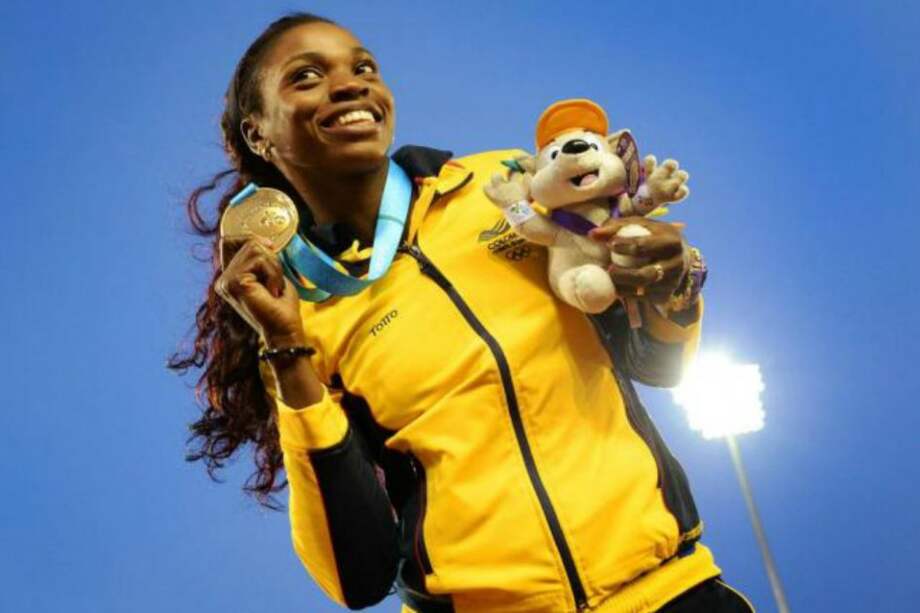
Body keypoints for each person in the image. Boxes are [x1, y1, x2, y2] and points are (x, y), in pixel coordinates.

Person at [169, 12, 754, 613]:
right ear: (258, 134)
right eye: (307, 77)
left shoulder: (500, 188)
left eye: (363, 67)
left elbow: (656, 365)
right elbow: (358, 575)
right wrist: (286, 349)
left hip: (669, 593)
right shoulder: (299, 311)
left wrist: (672, 280)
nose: (350, 85)